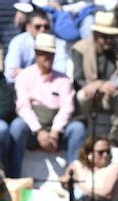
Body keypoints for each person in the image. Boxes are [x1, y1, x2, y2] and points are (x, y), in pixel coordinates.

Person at [10, 31, 87, 169]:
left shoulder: (64, 80)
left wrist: (55, 131)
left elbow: (67, 107)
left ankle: (73, 177)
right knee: (17, 126)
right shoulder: (24, 76)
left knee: (78, 129)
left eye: (51, 53)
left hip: (56, 132)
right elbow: (23, 106)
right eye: (44, 53)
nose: (48, 57)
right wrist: (39, 131)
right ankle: (13, 174)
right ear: (36, 53)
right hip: (32, 130)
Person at [69, 11, 118, 143]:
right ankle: (82, 135)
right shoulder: (79, 49)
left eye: (112, 36)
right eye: (105, 36)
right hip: (90, 94)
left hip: (110, 94)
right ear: (96, 34)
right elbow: (77, 80)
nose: (109, 40)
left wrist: (106, 85)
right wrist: (96, 85)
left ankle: (113, 138)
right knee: (81, 96)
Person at [5, 8, 66, 81]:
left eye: (46, 27)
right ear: (28, 27)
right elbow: (10, 74)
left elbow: (61, 73)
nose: (42, 30)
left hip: (49, 87)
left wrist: (25, 73)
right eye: (38, 27)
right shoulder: (18, 42)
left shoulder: (59, 44)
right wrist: (42, 76)